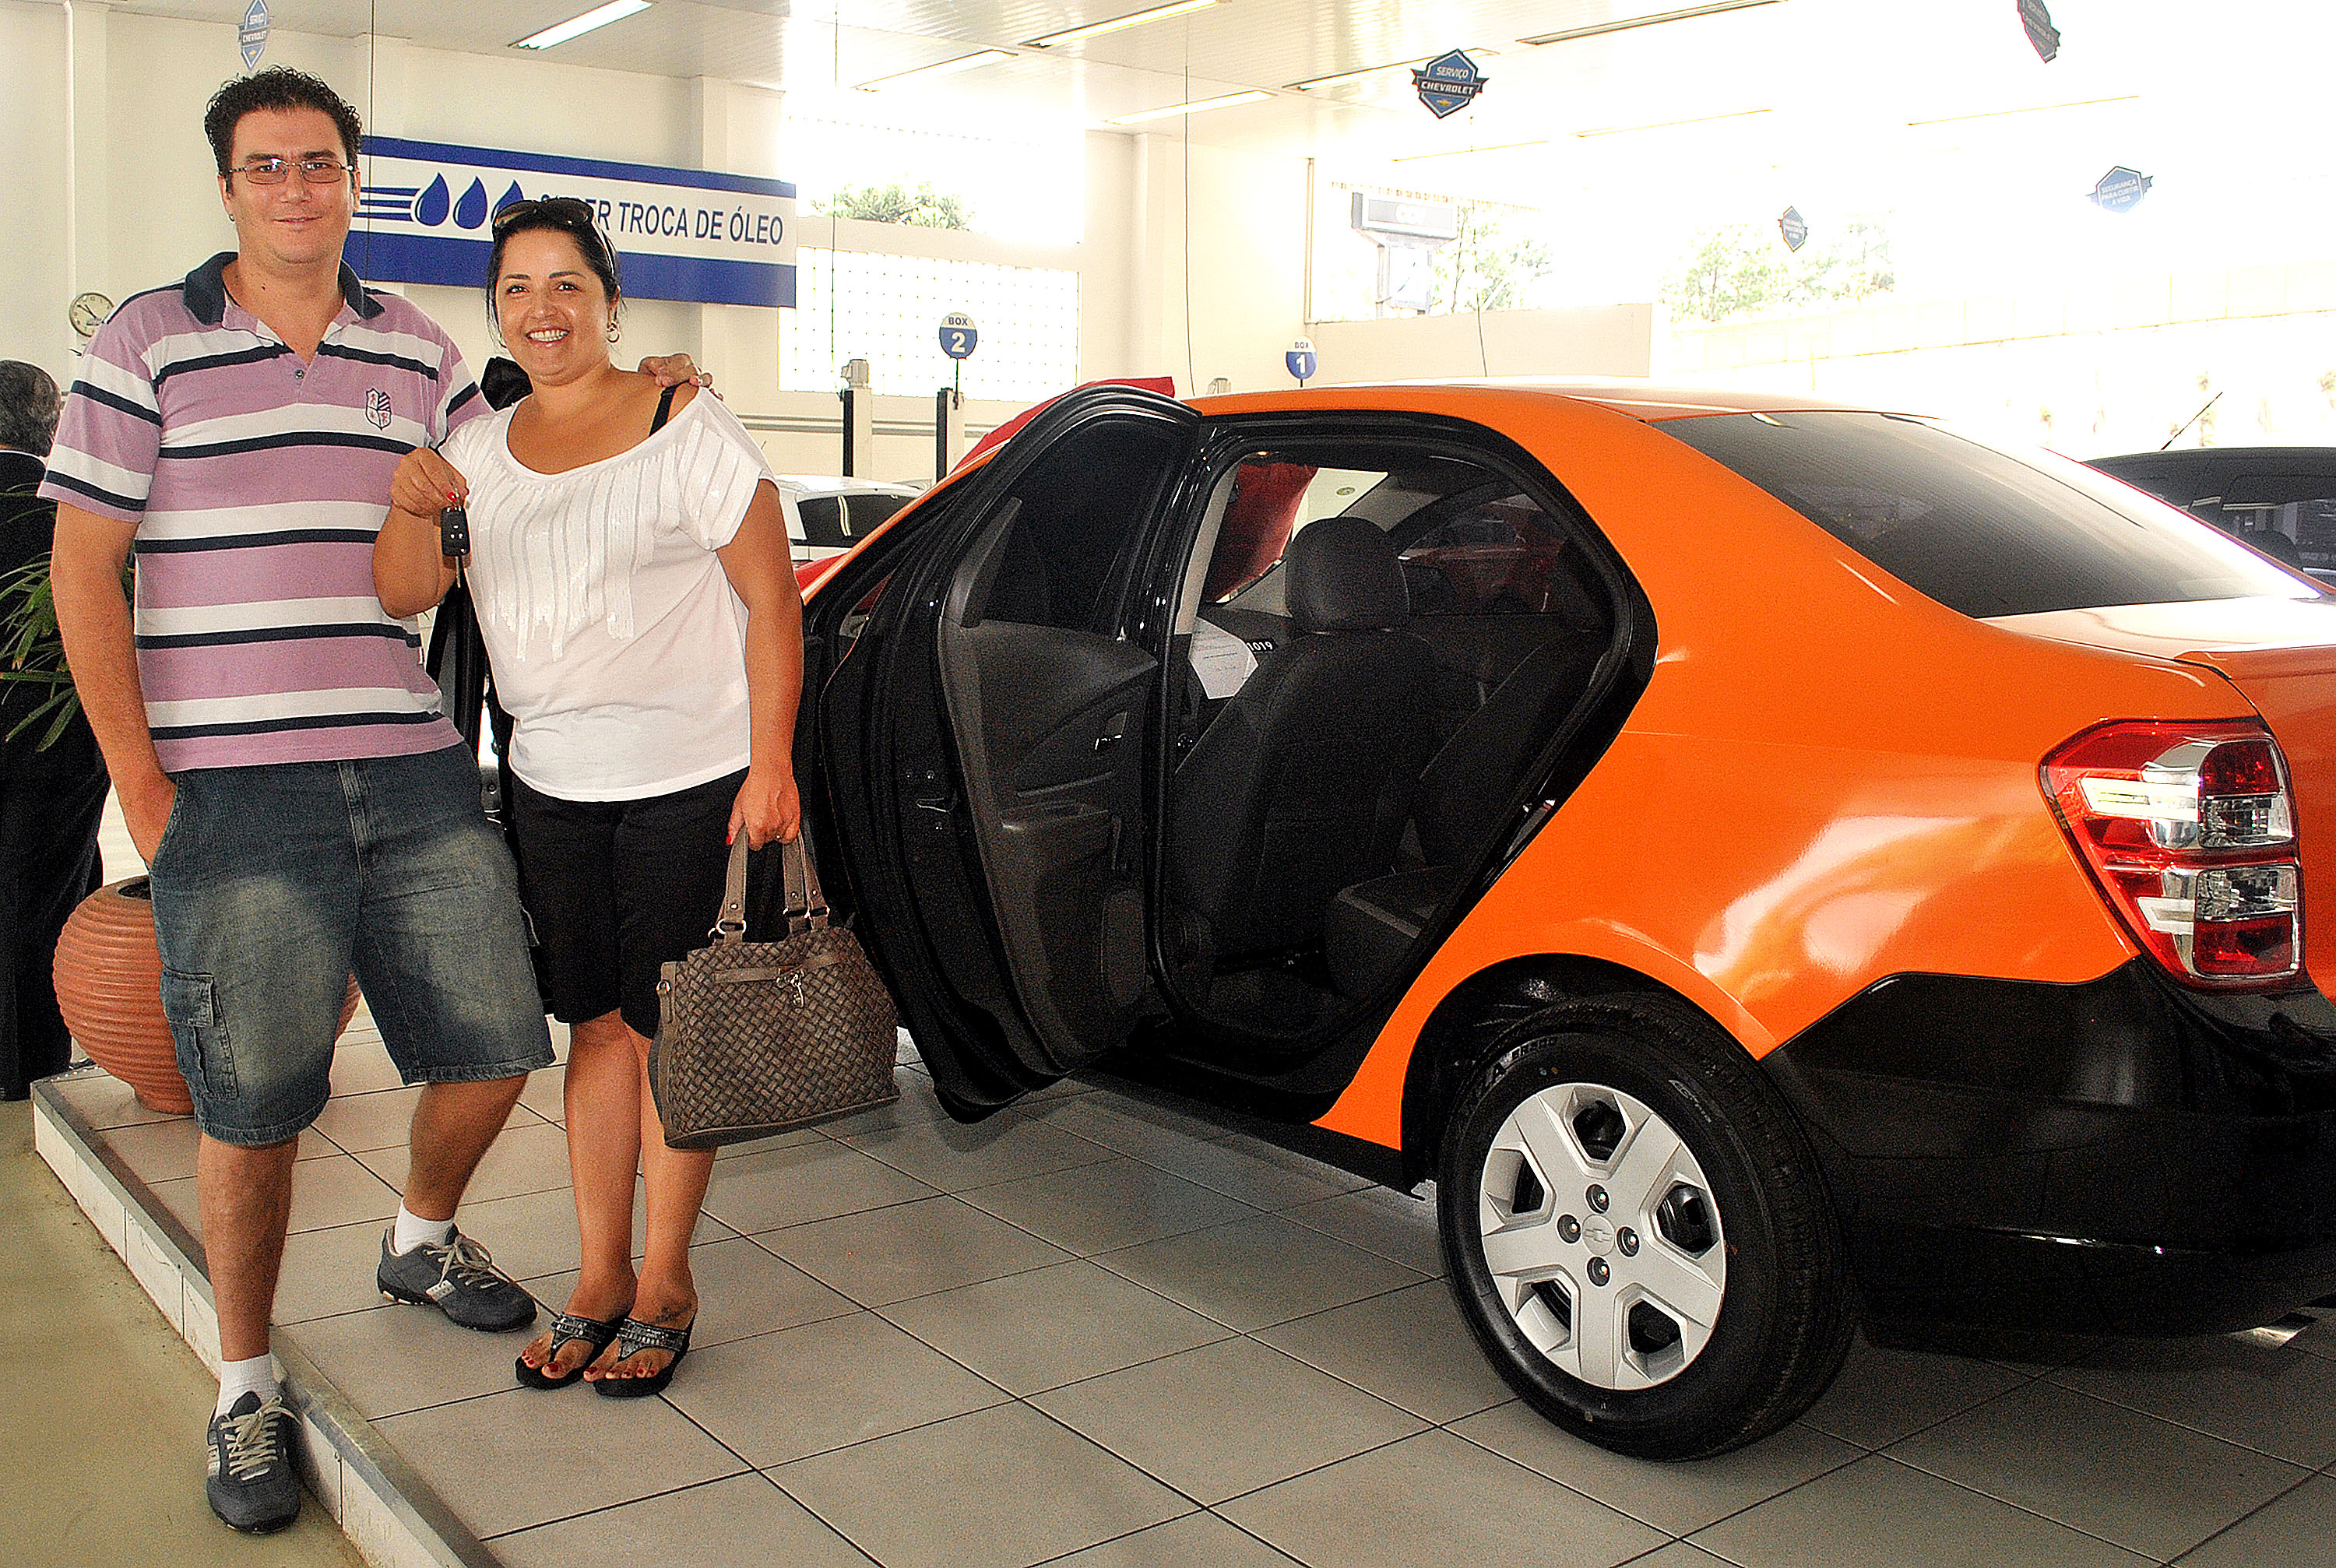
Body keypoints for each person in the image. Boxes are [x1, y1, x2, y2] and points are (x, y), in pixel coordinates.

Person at [40, 68, 707, 1535]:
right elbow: (85, 567)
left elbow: (527, 447)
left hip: (410, 763)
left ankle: (418, 1236)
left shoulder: (416, 345)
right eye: (267, 165)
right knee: (256, 1103)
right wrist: (139, 779)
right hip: (232, 786)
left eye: (321, 163)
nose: (297, 187)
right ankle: (244, 1383)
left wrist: (652, 387)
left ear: (353, 182)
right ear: (228, 186)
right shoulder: (149, 341)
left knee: (497, 1044)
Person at [375, 198, 804, 1400]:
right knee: (597, 1029)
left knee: (670, 1034)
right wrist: (411, 501)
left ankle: (666, 1280)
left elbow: (773, 601)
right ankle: (601, 1271)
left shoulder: (685, 420)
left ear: (610, 302)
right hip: (552, 785)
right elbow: (403, 589)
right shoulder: (478, 451)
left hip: (692, 779)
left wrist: (771, 762)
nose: (543, 309)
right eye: (517, 288)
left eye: (567, 283)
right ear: (496, 311)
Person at [0, 360, 109, 1101]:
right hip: (53, 740)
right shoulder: (63, 514)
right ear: (51, 427)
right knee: (41, 897)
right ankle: (30, 1064)